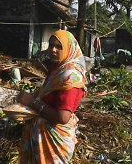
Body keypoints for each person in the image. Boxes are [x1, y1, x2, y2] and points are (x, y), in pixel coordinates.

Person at [16, 30, 86, 163]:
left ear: (69, 48)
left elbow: (62, 117)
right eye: (51, 45)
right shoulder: (57, 68)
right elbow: (47, 92)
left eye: (59, 46)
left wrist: (32, 102)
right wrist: (34, 96)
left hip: (54, 139)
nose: (53, 50)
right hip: (42, 136)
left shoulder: (69, 76)